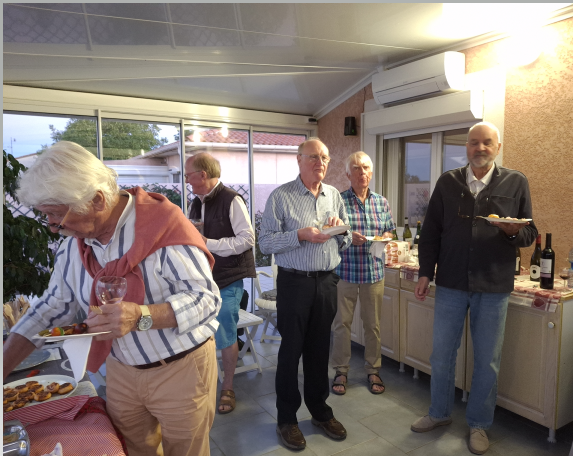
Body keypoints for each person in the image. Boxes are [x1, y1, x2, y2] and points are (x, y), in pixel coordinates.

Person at [3, 141, 221, 456]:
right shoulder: (74, 245)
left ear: (96, 200)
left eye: (57, 216)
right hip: (120, 370)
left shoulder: (163, 225)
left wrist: (142, 316)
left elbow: (207, 299)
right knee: (133, 450)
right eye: (47, 217)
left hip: (181, 369)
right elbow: (51, 308)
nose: (53, 229)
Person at [410, 122, 537, 455]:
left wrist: (511, 231)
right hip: (451, 283)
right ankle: (439, 413)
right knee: (441, 355)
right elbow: (431, 232)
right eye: (473, 142)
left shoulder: (516, 182)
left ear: (498, 147)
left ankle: (479, 424)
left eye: (487, 143)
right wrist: (425, 272)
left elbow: (529, 233)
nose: (480, 148)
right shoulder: (448, 182)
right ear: (466, 147)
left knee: (487, 361)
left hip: (493, 286)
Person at [259, 138, 352, 450]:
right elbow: (265, 243)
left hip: (326, 282)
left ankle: (320, 411)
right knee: (290, 352)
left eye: (324, 158)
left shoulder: (334, 195)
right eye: (313, 157)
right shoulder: (281, 196)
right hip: (294, 283)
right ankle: (286, 419)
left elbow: (346, 239)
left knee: (319, 350)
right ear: (298, 160)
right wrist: (299, 235)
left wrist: (340, 229)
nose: (320, 163)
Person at [185, 152, 256, 415]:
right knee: (196, 327)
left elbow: (247, 239)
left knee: (225, 325)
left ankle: (227, 386)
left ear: (203, 175)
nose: (187, 180)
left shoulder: (232, 200)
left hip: (228, 277)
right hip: (203, 279)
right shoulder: (195, 203)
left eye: (188, 175)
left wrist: (209, 244)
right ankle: (201, 379)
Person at [331, 151, 395, 396]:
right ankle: (341, 370)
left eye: (366, 167)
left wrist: (384, 237)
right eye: (356, 168)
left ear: (371, 172)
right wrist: (348, 237)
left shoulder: (381, 202)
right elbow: (330, 234)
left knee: (373, 326)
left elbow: (389, 230)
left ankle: (373, 370)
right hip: (345, 272)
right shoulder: (338, 201)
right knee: (342, 325)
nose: (362, 172)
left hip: (373, 272)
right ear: (348, 174)